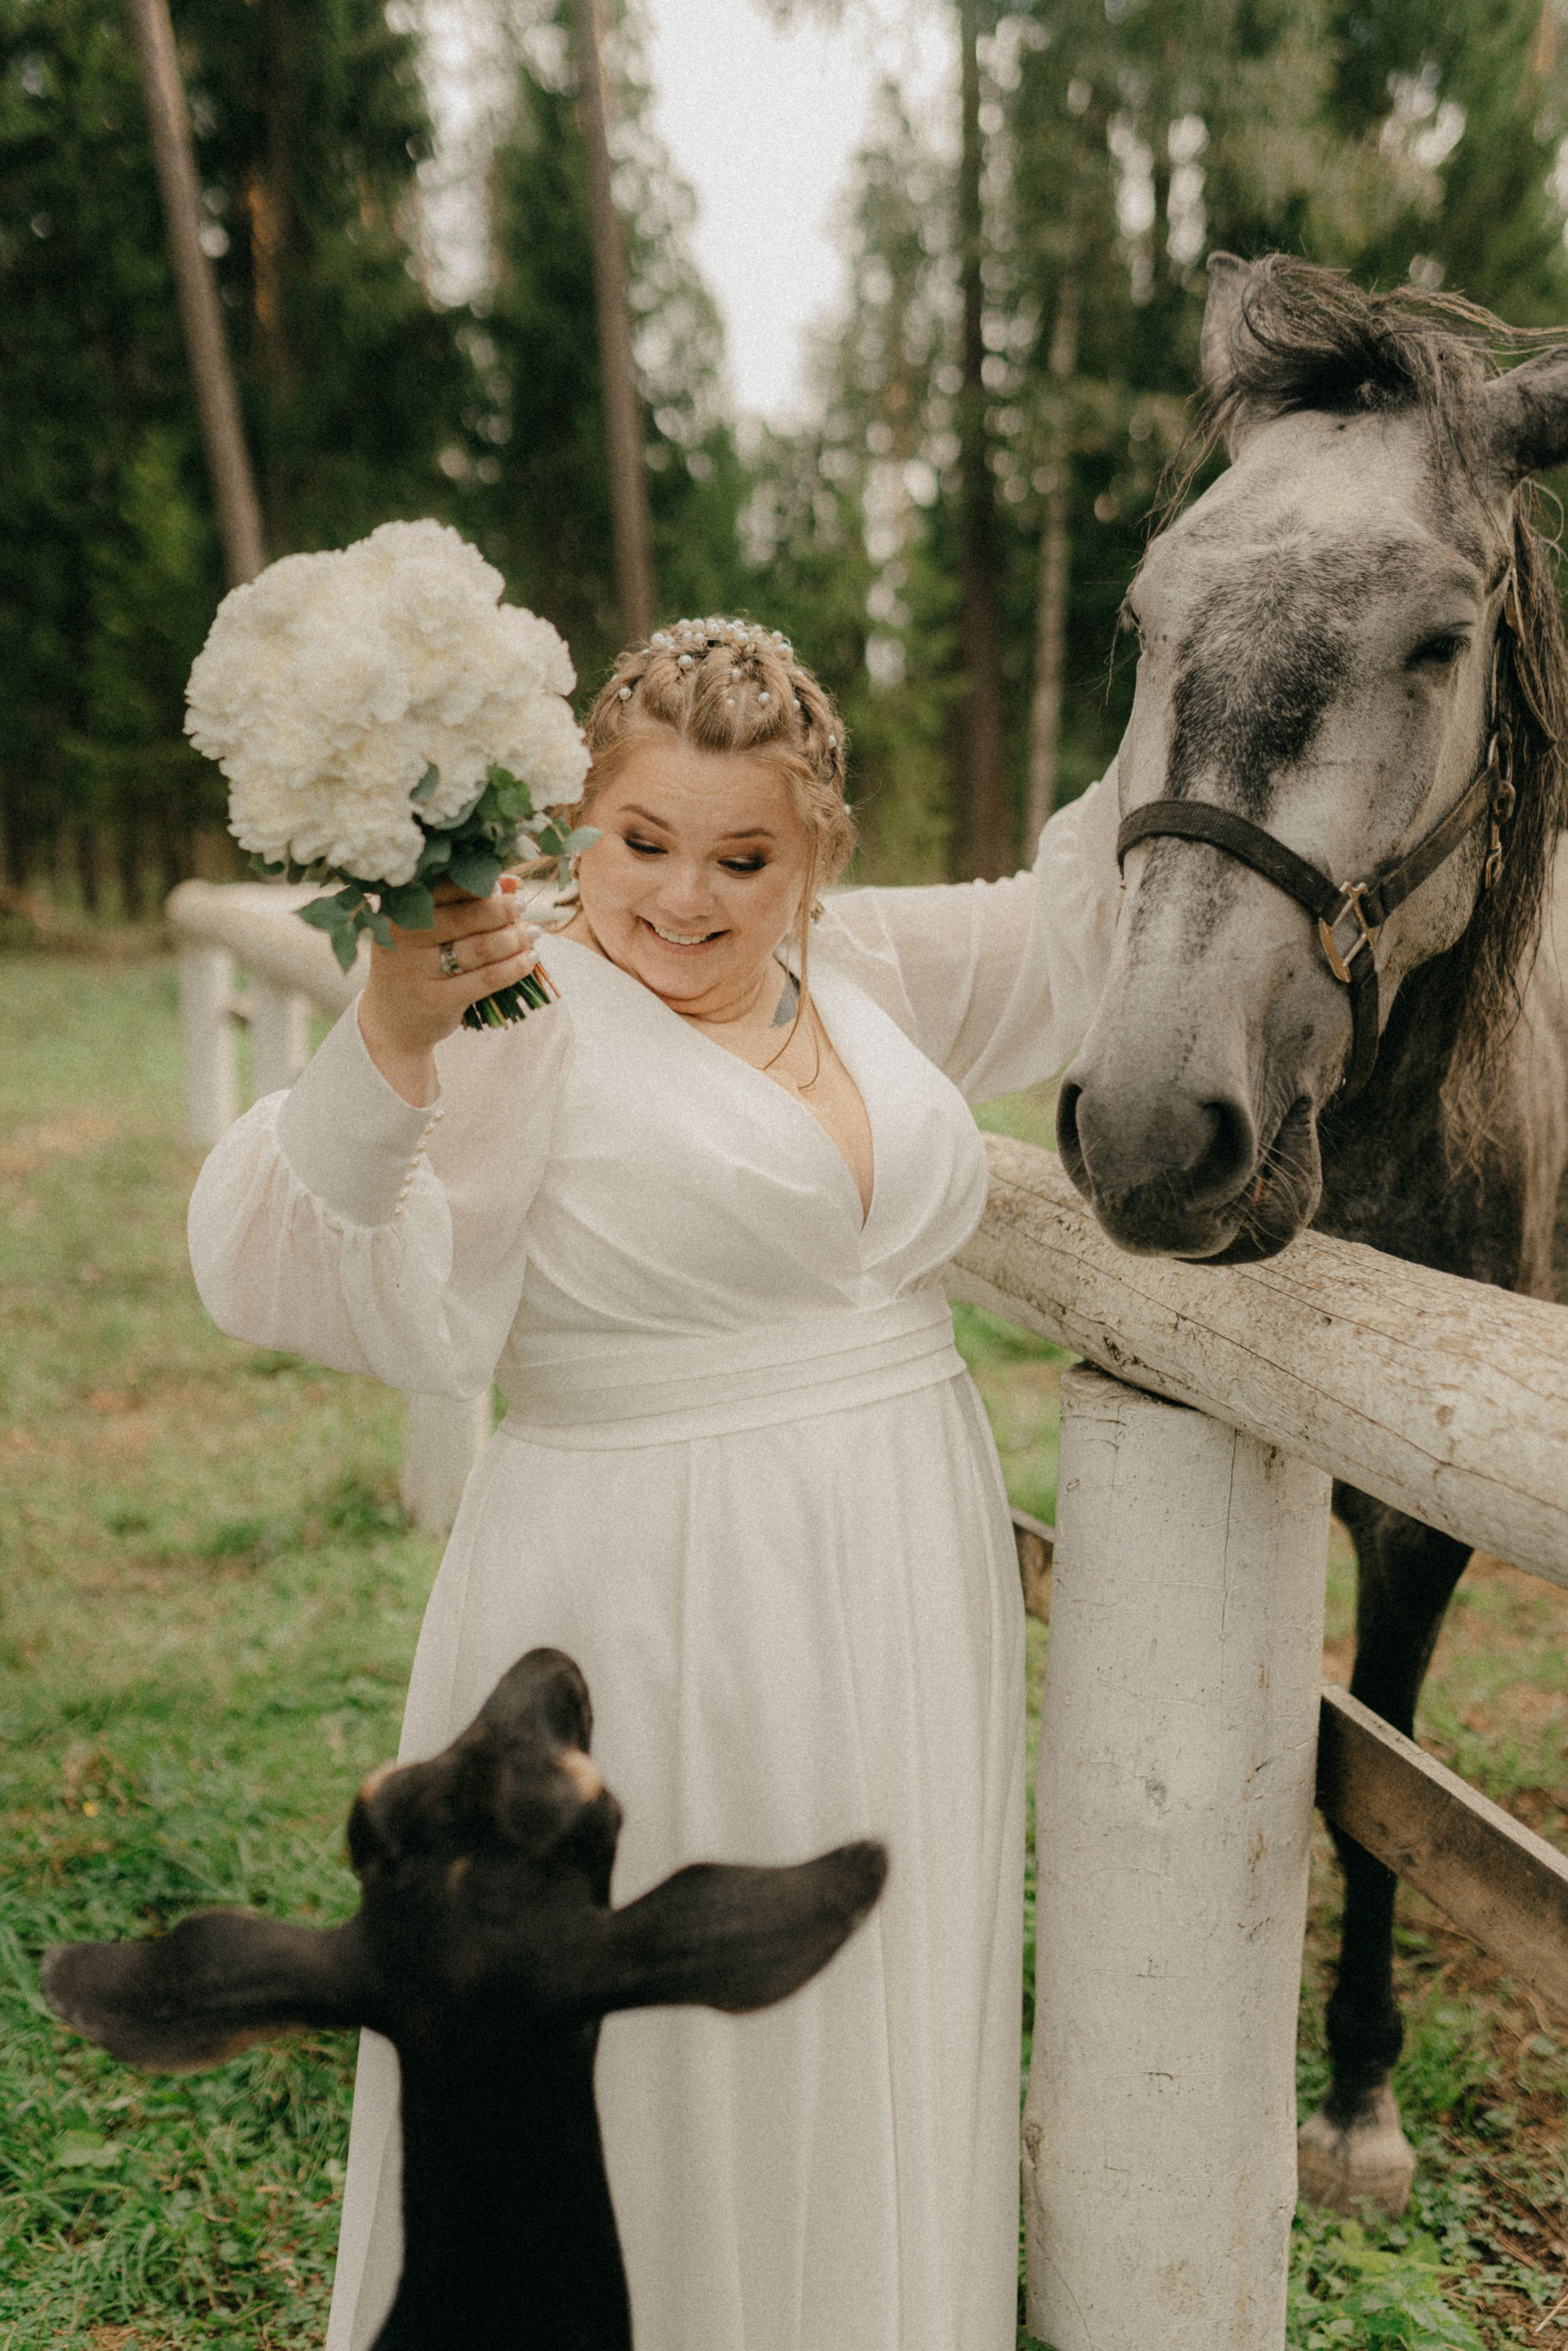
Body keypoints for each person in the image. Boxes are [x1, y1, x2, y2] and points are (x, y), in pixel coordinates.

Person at [187, 616, 1120, 2351]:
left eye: (742, 858)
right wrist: (389, 1035)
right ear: (576, 828)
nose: (685, 899)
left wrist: (1219, 616)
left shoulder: (859, 969)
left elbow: (1080, 917)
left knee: (880, 1982)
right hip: (646, 1585)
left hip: (909, 1558)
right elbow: (270, 1255)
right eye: (641, 843)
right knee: (671, 2033)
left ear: (813, 857)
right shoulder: (519, 1002)